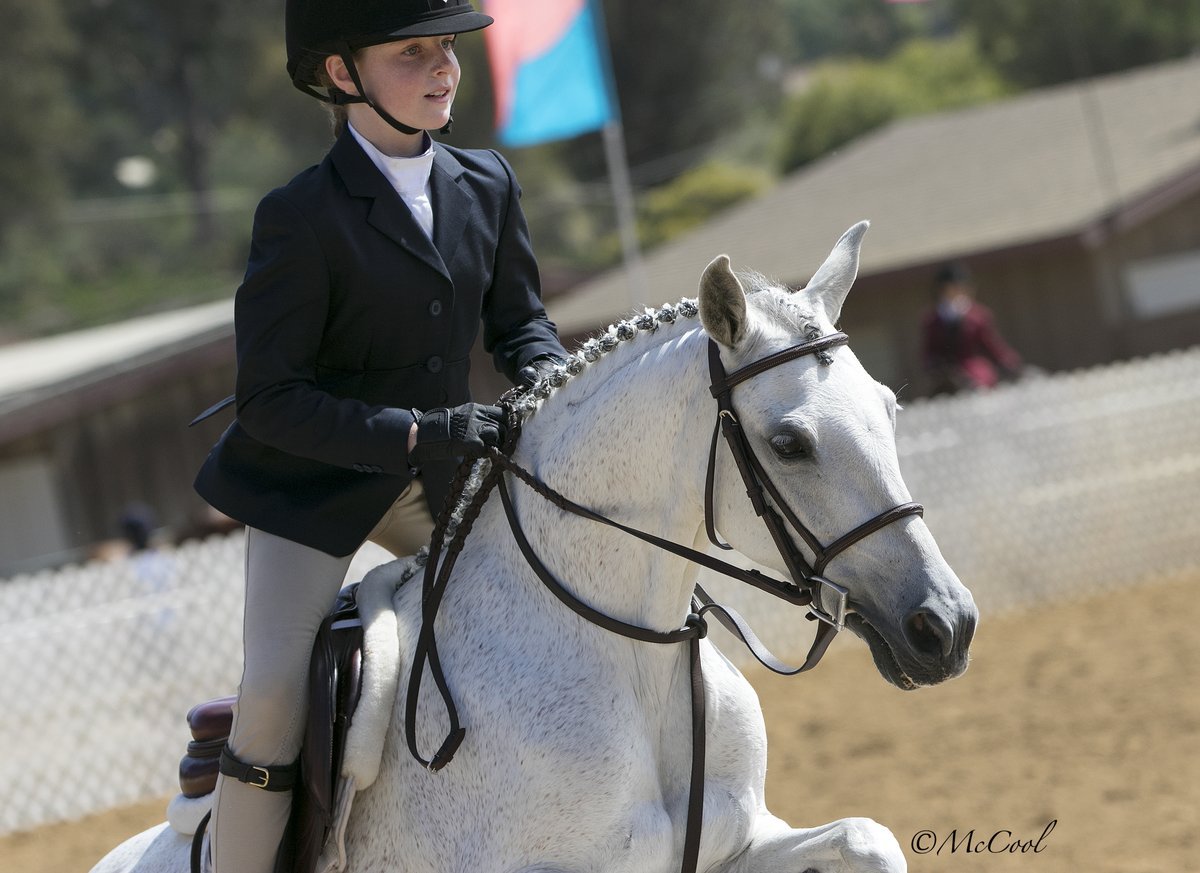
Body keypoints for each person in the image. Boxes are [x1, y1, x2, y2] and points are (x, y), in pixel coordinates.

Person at [190, 1, 567, 870]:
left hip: (443, 473)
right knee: (278, 699)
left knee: (539, 629)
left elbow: (522, 329)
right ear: (340, 73)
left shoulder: (489, 183)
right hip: (310, 483)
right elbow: (271, 400)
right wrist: (421, 429)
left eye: (448, 49)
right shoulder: (299, 215)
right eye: (413, 52)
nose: (444, 68)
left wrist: (550, 381)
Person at [920, 261, 1023, 395]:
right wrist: (934, 364)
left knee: (978, 380)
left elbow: (992, 344)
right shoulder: (932, 319)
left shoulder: (977, 315)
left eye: (959, 287)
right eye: (951, 288)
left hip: (973, 366)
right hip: (947, 371)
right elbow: (929, 350)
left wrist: (1009, 361)